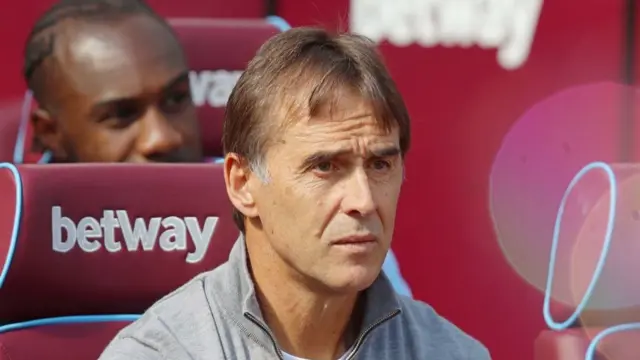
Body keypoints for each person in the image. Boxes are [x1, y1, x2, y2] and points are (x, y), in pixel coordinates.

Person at [99, 27, 490, 359]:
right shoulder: (163, 352)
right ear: (242, 184)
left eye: (380, 165)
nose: (364, 201)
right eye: (324, 166)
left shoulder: (451, 352)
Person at [22, 0, 202, 163]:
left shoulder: (227, 187)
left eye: (176, 99)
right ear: (50, 133)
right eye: (121, 115)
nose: (162, 139)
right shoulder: (21, 198)